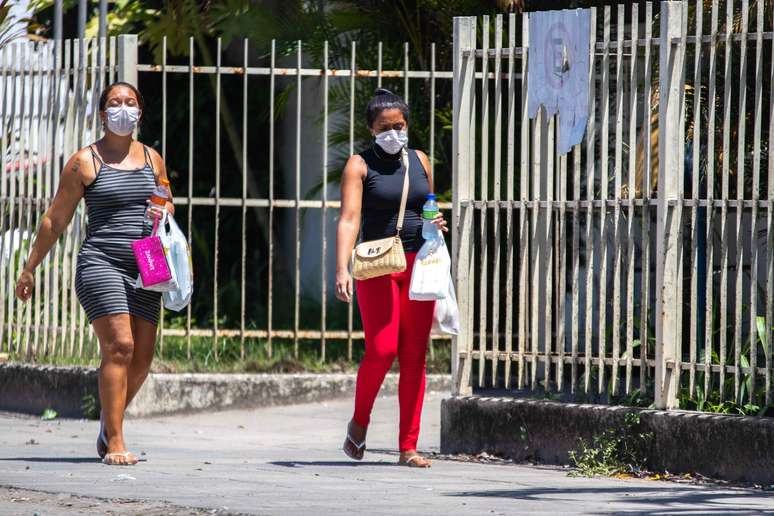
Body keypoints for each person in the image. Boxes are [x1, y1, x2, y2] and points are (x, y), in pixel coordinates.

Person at [15, 82, 174, 466]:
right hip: (100, 262)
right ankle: (116, 440)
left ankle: (108, 420)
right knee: (121, 346)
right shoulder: (84, 161)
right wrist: (30, 266)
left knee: (143, 358)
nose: (124, 108)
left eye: (131, 102)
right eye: (115, 103)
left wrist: (166, 208)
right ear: (103, 114)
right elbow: (55, 219)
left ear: (140, 111)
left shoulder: (153, 159)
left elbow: (166, 200)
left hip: (146, 263)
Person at [335, 88, 447, 468]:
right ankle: (359, 422)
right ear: (371, 128)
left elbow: (427, 205)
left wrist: (437, 221)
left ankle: (408, 446)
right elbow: (350, 218)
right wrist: (341, 268)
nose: (393, 133)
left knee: (416, 355)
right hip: (378, 263)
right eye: (385, 127)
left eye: (399, 126)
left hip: (420, 261)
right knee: (382, 350)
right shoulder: (359, 165)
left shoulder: (420, 160)